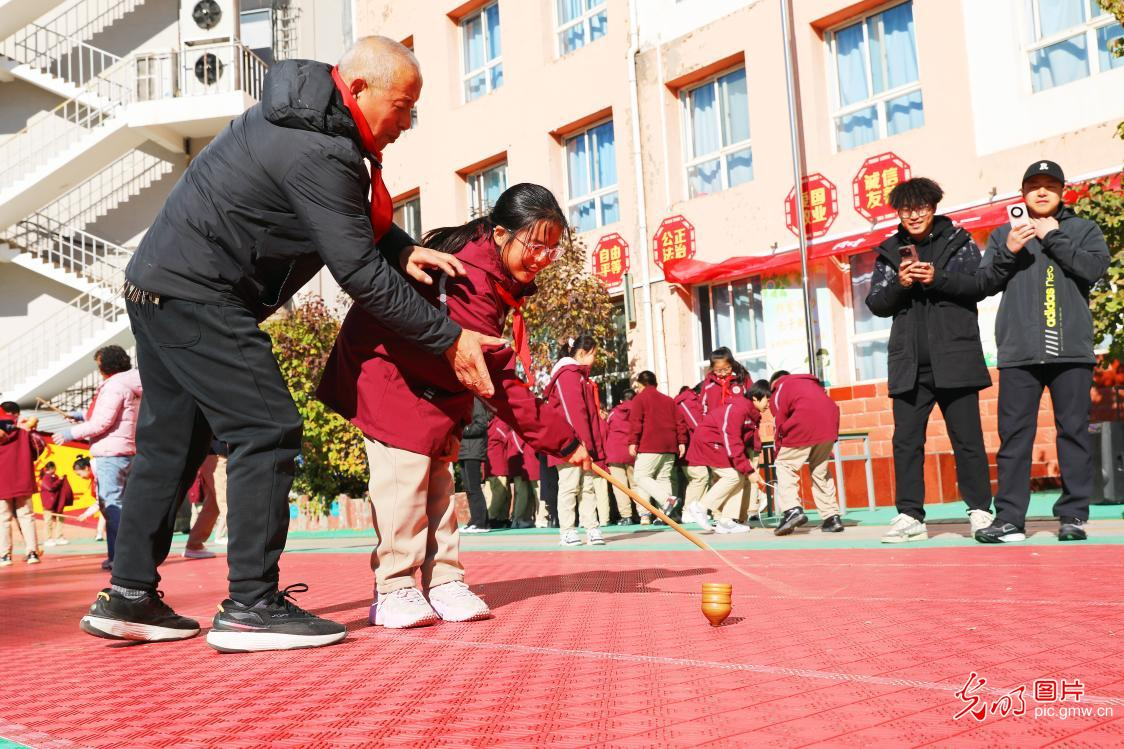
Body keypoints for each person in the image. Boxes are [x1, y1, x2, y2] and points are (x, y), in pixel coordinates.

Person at [79, 37, 506, 651]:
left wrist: (401, 246)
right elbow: (357, 271)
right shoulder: (322, 148)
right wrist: (449, 337)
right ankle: (251, 605)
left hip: (157, 287)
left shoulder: (305, 120)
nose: (407, 122)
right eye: (402, 106)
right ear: (358, 89)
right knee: (267, 428)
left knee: (173, 443)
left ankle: (129, 595)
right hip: (201, 293)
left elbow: (341, 219)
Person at [317, 182, 589, 629]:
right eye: (535, 245)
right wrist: (562, 441)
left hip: (435, 385)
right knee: (404, 485)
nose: (542, 258)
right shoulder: (467, 279)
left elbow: (477, 363)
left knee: (438, 487)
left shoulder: (494, 275)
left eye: (551, 249)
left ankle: (444, 580)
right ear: (500, 234)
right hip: (390, 376)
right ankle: (394, 587)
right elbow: (496, 380)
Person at [865, 178, 1012, 544]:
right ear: (898, 213)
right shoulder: (890, 251)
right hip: (909, 363)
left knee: (967, 440)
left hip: (956, 358)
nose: (914, 216)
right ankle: (910, 516)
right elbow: (876, 304)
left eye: (921, 208)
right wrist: (901, 283)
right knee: (906, 442)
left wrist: (937, 277)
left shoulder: (959, 242)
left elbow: (980, 285)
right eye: (906, 210)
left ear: (933, 208)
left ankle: (979, 511)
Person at [975, 160, 1111, 543]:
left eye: (1050, 185)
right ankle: (1009, 519)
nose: (1041, 191)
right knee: (1014, 437)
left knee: (1073, 433)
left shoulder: (1083, 229)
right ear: (1022, 193)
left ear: (1062, 191)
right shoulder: (1004, 233)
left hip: (1071, 350)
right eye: (1033, 185)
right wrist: (1009, 250)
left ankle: (1073, 516)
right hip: (1019, 352)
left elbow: (1093, 269)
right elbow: (983, 284)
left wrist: (1053, 237)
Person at [57, 346, 142, 571]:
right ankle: (124, 556)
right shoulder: (130, 382)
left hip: (110, 452)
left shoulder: (114, 385)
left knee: (112, 506)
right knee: (124, 505)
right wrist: (80, 416)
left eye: (99, 365)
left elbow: (102, 422)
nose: (98, 370)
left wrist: (70, 433)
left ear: (106, 365)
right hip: (126, 450)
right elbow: (110, 415)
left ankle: (120, 558)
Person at [682, 384, 768, 534]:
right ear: (755, 398)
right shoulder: (737, 410)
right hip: (709, 442)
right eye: (768, 400)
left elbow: (742, 441)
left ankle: (727, 521)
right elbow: (732, 440)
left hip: (721, 444)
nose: (769, 404)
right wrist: (749, 470)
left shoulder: (751, 414)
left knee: (739, 475)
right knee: (733, 476)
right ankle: (700, 507)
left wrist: (748, 467)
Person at [545, 336, 606, 546]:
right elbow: (572, 413)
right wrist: (578, 443)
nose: (594, 359)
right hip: (569, 445)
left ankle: (592, 527)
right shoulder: (567, 375)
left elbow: (589, 415)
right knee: (570, 486)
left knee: (587, 486)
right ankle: (567, 530)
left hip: (583, 444)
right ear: (581, 353)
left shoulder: (580, 377)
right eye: (593, 354)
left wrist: (593, 447)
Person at [768, 371, 844, 535]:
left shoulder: (779, 389)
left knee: (784, 465)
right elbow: (830, 407)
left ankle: (791, 510)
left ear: (773, 384)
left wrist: (779, 450)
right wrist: (828, 443)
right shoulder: (812, 385)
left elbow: (779, 423)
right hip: (829, 425)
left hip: (803, 424)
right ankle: (832, 517)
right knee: (820, 471)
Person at [628, 371, 686, 524]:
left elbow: (636, 422)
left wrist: (633, 441)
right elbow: (680, 421)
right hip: (670, 445)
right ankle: (664, 516)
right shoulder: (669, 400)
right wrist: (681, 441)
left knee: (640, 477)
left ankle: (665, 502)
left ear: (641, 384)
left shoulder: (640, 399)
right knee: (663, 478)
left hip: (649, 444)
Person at [0, 412, 43, 566]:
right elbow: (38, 449)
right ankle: (32, 552)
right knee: (27, 516)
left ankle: (5, 555)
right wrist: (31, 427)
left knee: (3, 519)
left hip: (2, 481)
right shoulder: (24, 430)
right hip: (22, 478)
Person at [458, 398, 491, 534]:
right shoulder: (467, 400)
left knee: (474, 487)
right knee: (469, 488)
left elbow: (481, 424)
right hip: (464, 450)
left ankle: (480, 523)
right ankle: (477, 520)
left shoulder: (475, 400)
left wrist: (463, 430)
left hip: (473, 450)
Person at [603, 390, 637, 524]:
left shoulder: (613, 413)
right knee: (636, 484)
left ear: (621, 400)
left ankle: (626, 516)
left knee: (620, 486)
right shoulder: (638, 411)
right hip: (632, 451)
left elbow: (606, 430)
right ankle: (644, 513)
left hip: (614, 453)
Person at [485, 417, 512, 528]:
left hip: (491, 466)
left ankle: (501, 518)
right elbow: (509, 439)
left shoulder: (489, 425)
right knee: (500, 493)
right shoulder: (500, 423)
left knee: (497, 493)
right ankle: (492, 518)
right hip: (498, 465)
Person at [39, 462, 73, 546]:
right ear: (52, 468)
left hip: (57, 502)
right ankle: (48, 539)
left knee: (60, 519)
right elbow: (50, 487)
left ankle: (59, 537)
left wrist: (59, 480)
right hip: (48, 503)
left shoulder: (55, 476)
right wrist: (60, 480)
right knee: (48, 521)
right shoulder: (45, 477)